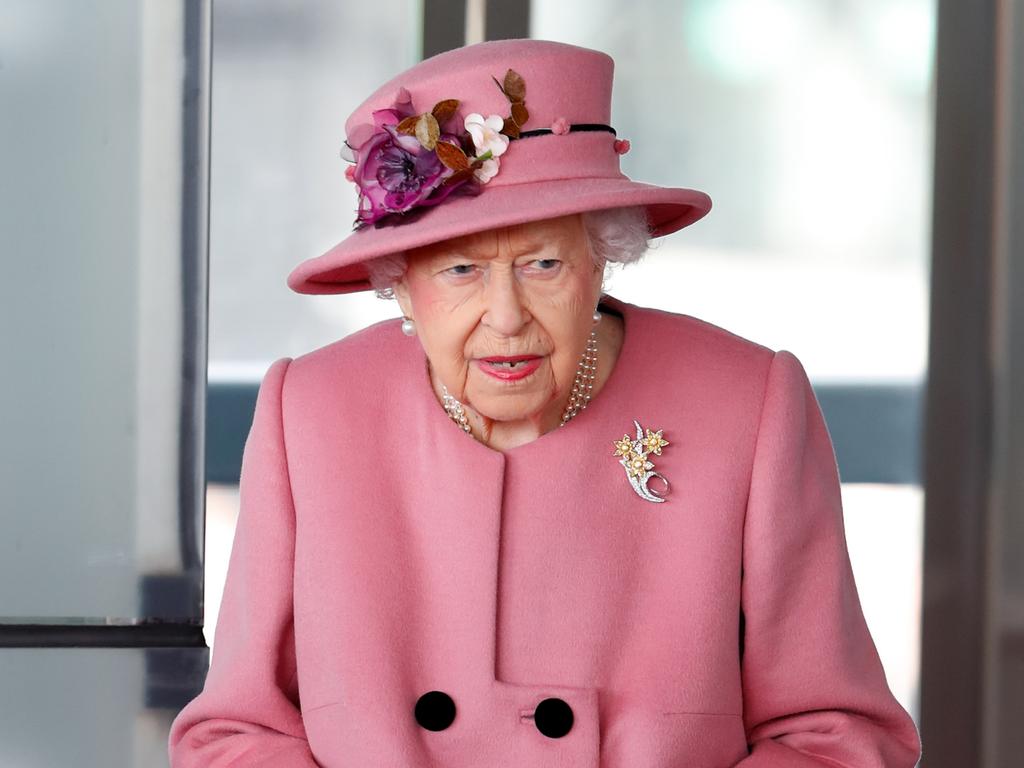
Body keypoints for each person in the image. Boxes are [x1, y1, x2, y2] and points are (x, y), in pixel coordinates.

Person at [168, 38, 922, 767]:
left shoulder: (746, 403)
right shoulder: (313, 413)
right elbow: (234, 733)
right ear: (399, 282)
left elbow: (838, 739)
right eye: (460, 269)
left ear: (606, 256)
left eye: (544, 262)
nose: (505, 316)